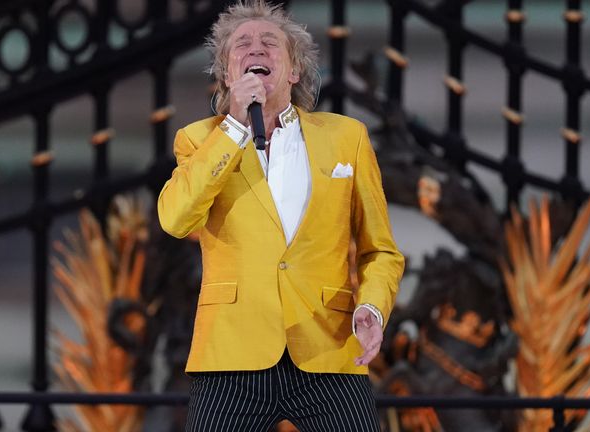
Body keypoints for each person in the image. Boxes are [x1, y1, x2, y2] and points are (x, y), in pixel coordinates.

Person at [157, 1, 405, 430]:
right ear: (227, 74)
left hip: (328, 349)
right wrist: (233, 127)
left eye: (270, 43)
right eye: (242, 45)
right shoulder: (198, 140)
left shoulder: (347, 139)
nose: (256, 49)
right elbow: (175, 219)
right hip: (231, 354)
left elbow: (380, 250)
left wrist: (373, 307)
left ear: (293, 70)